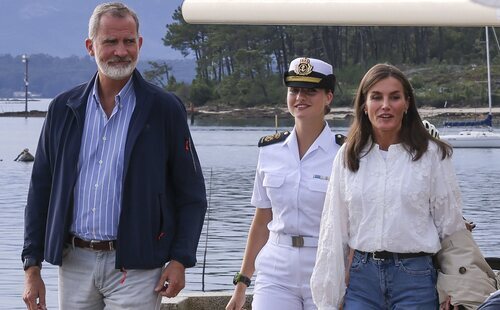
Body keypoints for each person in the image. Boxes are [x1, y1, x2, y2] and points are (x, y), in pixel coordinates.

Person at [21, 3, 207, 310]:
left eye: (128, 41)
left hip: (138, 265)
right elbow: (40, 191)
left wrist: (180, 259)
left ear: (140, 44)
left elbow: (192, 194)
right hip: (74, 262)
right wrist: (32, 266)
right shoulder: (63, 109)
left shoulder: (164, 110)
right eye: (110, 42)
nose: (121, 51)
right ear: (90, 46)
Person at [311, 63, 467, 309]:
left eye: (394, 97)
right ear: (364, 104)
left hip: (416, 278)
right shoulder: (347, 156)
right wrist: (329, 297)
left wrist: (454, 288)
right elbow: (334, 231)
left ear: (406, 104)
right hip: (362, 281)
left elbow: (451, 227)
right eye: (376, 97)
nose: (385, 105)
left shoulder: (433, 155)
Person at [226, 57, 342, 310]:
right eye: (294, 90)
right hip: (276, 267)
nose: (300, 97)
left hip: (325, 264)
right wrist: (242, 283)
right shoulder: (270, 150)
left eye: (311, 91)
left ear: (329, 97)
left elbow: (353, 223)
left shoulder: (344, 153)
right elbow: (261, 219)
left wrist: (348, 277)